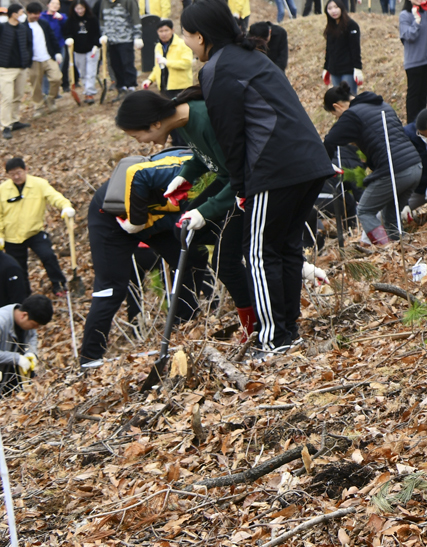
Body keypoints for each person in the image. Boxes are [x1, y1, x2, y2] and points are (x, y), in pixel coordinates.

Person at [180, 0, 335, 360]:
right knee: (285, 250)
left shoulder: (216, 69)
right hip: (309, 162)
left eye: (186, 36)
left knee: (260, 254)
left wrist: (240, 188)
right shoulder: (250, 56)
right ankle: (288, 333)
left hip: (274, 169)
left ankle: (273, 341)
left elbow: (230, 136)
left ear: (201, 36)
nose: (186, 44)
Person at [114, 88, 251, 339]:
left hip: (248, 185)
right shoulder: (184, 122)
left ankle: (253, 324)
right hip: (230, 180)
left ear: (155, 123)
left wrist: (206, 211)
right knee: (184, 230)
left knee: (223, 261)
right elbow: (204, 157)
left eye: (137, 136)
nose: (140, 143)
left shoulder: (204, 119)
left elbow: (239, 175)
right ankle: (249, 250)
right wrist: (185, 175)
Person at [77, 142, 225, 367]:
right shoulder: (185, 165)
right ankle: (89, 359)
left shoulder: (223, 178)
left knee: (190, 258)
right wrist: (135, 221)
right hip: (114, 213)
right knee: (111, 288)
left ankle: (184, 323)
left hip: (154, 217)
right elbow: (134, 174)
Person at [322, 82, 421, 246]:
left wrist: (325, 167)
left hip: (395, 170)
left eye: (335, 115)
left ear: (337, 106)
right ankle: (402, 252)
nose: (338, 120)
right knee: (390, 214)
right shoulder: (382, 105)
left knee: (365, 211)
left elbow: (330, 141)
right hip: (415, 166)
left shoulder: (351, 114)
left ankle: (387, 250)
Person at [1, 159, 71, 296]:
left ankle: (59, 285)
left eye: (19, 173)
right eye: (12, 174)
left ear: (26, 169)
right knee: (17, 268)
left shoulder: (39, 184)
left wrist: (65, 206)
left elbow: (54, 196)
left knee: (48, 255)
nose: (16, 177)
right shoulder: (2, 190)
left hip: (34, 232)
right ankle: (24, 295)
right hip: (12, 237)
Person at [99, 0, 140, 99]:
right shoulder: (104, 2)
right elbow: (102, 20)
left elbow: (135, 18)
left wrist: (138, 36)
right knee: (115, 65)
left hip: (125, 39)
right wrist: (104, 35)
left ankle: (131, 87)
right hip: (111, 41)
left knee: (127, 63)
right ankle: (121, 88)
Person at [0, 297, 50, 394]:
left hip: (8, 377)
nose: (35, 328)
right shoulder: (1, 321)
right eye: (34, 325)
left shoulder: (27, 320)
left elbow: (32, 337)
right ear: (24, 315)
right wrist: (16, 358)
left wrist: (31, 353)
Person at [143, 19, 198, 94]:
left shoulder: (182, 44)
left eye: (166, 30)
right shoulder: (158, 47)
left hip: (180, 88)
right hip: (164, 87)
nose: (164, 34)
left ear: (172, 30)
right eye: (161, 31)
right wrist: (150, 79)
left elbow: (187, 63)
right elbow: (157, 67)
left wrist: (166, 62)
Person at [322, 0, 363, 96]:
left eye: (336, 7)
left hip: (348, 69)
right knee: (339, 98)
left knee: (349, 97)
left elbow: (355, 48)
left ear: (341, 8)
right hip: (334, 69)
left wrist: (357, 68)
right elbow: (329, 50)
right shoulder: (330, 27)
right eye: (330, 8)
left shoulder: (351, 25)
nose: (333, 11)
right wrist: (326, 68)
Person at [22, 4, 58, 116]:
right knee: (36, 85)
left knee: (57, 78)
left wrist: (56, 52)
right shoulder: (23, 26)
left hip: (47, 56)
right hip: (33, 60)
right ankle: (38, 106)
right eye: (34, 14)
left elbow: (52, 38)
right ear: (28, 13)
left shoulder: (44, 23)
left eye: (38, 13)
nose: (36, 16)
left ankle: (51, 98)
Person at [0, 8, 31, 137]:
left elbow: (28, 45)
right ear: (14, 14)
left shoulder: (23, 28)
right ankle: (5, 125)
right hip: (5, 69)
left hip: (21, 68)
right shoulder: (2, 28)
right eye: (21, 12)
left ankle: (14, 120)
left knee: (18, 96)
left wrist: (27, 61)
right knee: (6, 97)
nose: (23, 15)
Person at [65, 0, 100, 104]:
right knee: (83, 71)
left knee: (91, 71)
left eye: (82, 8)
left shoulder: (92, 18)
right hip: (78, 50)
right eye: (77, 9)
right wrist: (69, 40)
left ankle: (90, 93)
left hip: (91, 49)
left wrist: (96, 44)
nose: (80, 11)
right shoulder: (71, 20)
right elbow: (67, 33)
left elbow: (97, 32)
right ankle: (86, 89)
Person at [139, 0, 174, 70]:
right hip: (145, 16)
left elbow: (165, 0)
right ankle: (148, 65)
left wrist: (164, 16)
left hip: (157, 15)